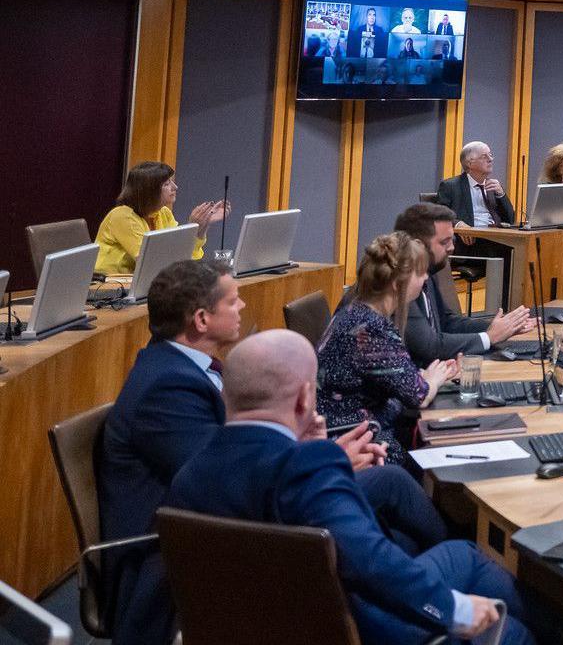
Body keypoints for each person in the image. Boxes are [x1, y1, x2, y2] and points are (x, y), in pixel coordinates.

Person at [98, 263, 440, 645]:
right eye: (232, 300)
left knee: (387, 501)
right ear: (200, 319)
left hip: (237, 525)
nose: (243, 305)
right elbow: (223, 483)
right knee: (388, 496)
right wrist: (325, 460)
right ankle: (433, 585)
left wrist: (313, 452)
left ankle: (424, 586)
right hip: (187, 563)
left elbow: (242, 464)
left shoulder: (188, 369)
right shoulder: (167, 387)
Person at [167, 330, 533, 645]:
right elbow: (370, 561)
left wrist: (311, 449)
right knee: (485, 588)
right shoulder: (307, 469)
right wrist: (459, 610)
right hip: (346, 627)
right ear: (303, 398)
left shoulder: (189, 476)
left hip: (251, 627)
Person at [318, 233, 459, 450]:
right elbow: (418, 396)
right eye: (419, 273)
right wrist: (435, 378)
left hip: (349, 428)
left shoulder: (356, 310)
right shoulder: (371, 328)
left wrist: (421, 376)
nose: (425, 279)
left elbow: (390, 375)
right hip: (360, 441)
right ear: (397, 283)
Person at [393, 203, 533, 363]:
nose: (452, 247)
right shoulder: (402, 286)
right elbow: (430, 347)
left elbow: (447, 322)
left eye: (452, 240)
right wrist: (489, 337)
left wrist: (502, 326)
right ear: (418, 245)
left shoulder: (428, 273)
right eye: (444, 242)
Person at [94, 162, 224, 276]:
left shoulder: (163, 213)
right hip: (108, 287)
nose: (175, 187)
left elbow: (180, 256)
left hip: (139, 283)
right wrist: (192, 226)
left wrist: (201, 227)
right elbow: (152, 263)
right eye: (167, 183)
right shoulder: (122, 216)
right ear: (149, 190)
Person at [436, 141, 517, 228]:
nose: (490, 159)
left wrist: (501, 194)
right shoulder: (450, 186)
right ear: (470, 163)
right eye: (484, 156)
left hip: (496, 235)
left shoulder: (493, 186)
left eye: (490, 155)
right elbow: (439, 216)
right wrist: (458, 224)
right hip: (470, 236)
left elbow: (510, 219)